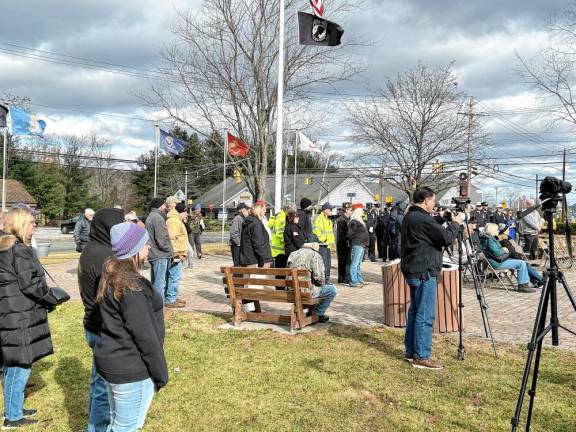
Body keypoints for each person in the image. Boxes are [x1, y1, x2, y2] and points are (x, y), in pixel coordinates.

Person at [95, 222, 169, 431]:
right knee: (126, 426)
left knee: (117, 422)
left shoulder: (112, 276)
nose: (149, 248)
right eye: (145, 243)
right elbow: (145, 336)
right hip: (130, 368)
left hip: (114, 361)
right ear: (134, 249)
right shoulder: (131, 286)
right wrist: (160, 373)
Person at [0, 208, 59, 428]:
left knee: (13, 365)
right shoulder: (18, 249)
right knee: (20, 365)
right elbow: (30, 284)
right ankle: (12, 417)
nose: (35, 226)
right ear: (21, 224)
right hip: (18, 316)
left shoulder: (5, 246)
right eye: (32, 222)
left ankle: (13, 408)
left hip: (10, 313)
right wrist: (51, 298)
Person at [401, 187, 463, 370]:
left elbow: (428, 229)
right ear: (426, 200)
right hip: (424, 271)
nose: (434, 204)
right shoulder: (421, 219)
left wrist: (441, 218)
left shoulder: (411, 216)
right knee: (425, 314)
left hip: (414, 269)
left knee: (415, 312)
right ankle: (421, 356)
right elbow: (445, 238)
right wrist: (456, 223)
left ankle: (411, 351)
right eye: (433, 201)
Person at [78, 207, 125, 432]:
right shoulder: (106, 256)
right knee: (103, 387)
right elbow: (115, 297)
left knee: (98, 381)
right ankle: (97, 427)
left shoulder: (90, 249)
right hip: (102, 326)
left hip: (92, 322)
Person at [481, 223, 540, 292]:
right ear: (492, 230)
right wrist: (504, 249)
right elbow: (497, 252)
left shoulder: (489, 239)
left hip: (498, 260)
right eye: (497, 230)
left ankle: (525, 284)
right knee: (521, 263)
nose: (498, 231)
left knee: (522, 262)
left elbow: (496, 251)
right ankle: (523, 285)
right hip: (497, 263)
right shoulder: (489, 240)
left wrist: (502, 249)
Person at [287, 242, 337, 323]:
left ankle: (311, 311)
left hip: (291, 291)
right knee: (332, 289)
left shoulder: (292, 254)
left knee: (313, 286)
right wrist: (322, 283)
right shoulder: (315, 255)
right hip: (306, 292)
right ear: (314, 245)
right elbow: (319, 279)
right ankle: (318, 313)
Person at [145, 197, 173, 302]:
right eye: (164, 205)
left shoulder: (151, 216)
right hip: (160, 255)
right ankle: (159, 309)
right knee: (159, 284)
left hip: (155, 254)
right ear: (160, 206)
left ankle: (153, 307)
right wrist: (168, 249)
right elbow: (161, 239)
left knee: (155, 283)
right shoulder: (157, 217)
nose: (165, 206)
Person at [165, 202, 189, 308]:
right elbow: (171, 239)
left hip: (178, 253)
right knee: (174, 276)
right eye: (185, 212)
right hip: (176, 254)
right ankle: (170, 299)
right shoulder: (174, 221)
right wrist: (177, 254)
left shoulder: (176, 220)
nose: (187, 214)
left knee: (174, 276)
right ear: (181, 212)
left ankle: (172, 296)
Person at [239, 203, 272, 268]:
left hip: (248, 259)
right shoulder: (256, 224)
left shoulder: (249, 222)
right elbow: (258, 244)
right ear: (259, 211)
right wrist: (262, 260)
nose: (265, 212)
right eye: (264, 210)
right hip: (256, 262)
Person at [347, 204, 370, 287]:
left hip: (361, 244)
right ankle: (353, 281)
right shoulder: (354, 221)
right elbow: (350, 234)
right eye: (361, 210)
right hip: (357, 244)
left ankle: (359, 280)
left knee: (358, 263)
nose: (363, 212)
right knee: (355, 263)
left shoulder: (359, 220)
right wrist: (356, 239)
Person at [313, 203, 336, 281]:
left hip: (327, 245)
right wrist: (324, 239)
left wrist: (331, 242)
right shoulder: (319, 219)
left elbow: (330, 232)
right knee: (324, 264)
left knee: (328, 264)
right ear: (325, 210)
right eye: (330, 209)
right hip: (323, 245)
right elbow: (316, 231)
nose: (331, 211)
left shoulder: (327, 219)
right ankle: (323, 280)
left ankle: (326, 279)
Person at [269, 203, 295, 268]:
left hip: (276, 247)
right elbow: (281, 233)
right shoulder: (282, 218)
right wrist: (288, 240)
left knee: (279, 270)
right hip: (281, 248)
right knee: (281, 271)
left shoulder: (278, 216)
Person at [336, 202, 352, 284]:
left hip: (345, 243)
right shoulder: (342, 220)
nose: (351, 211)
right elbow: (342, 234)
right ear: (346, 210)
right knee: (343, 261)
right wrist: (346, 242)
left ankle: (343, 277)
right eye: (350, 210)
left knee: (345, 261)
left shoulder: (347, 219)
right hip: (342, 243)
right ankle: (342, 278)